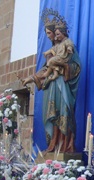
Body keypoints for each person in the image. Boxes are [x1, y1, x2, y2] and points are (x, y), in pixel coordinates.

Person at [22, 11, 81, 153]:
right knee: (52, 113)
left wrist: (64, 67)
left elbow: (76, 67)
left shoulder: (67, 46)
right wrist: (32, 78)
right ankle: (54, 144)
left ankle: (66, 145)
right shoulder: (53, 50)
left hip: (62, 85)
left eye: (50, 33)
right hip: (51, 86)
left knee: (63, 112)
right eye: (48, 34)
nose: (50, 36)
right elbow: (45, 69)